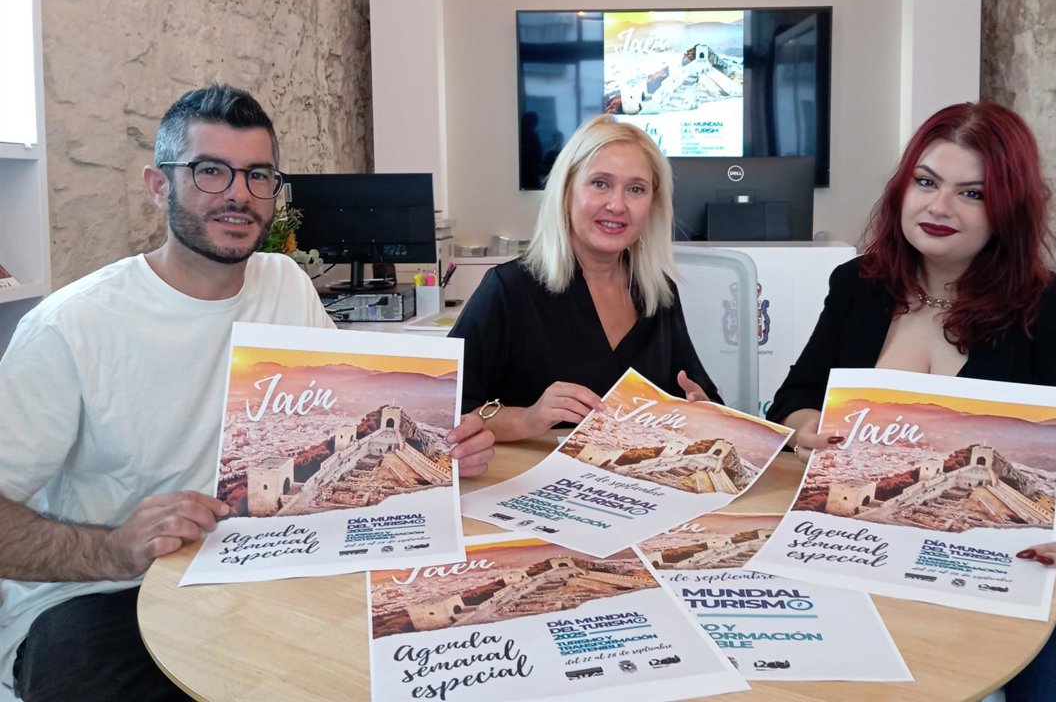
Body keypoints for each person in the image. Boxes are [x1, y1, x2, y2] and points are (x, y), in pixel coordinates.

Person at [0, 85, 495, 701]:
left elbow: (337, 413)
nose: (238, 193)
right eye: (210, 170)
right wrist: (114, 550)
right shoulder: (70, 328)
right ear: (159, 185)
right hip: (102, 599)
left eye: (257, 175)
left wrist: (447, 447)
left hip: (258, 569)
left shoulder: (285, 283)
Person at [768, 102, 1056, 702]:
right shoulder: (859, 285)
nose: (939, 207)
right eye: (926, 182)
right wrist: (807, 425)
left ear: (1008, 209)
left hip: (1026, 561)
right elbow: (795, 396)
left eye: (973, 193)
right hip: (870, 550)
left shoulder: (1053, 310)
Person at [450, 114, 720, 441]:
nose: (617, 204)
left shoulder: (658, 292)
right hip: (526, 471)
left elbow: (699, 394)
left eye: (636, 189)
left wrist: (703, 411)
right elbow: (443, 410)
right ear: (566, 192)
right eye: (600, 183)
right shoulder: (509, 289)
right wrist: (527, 419)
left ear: (652, 205)